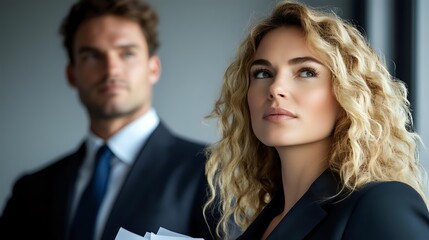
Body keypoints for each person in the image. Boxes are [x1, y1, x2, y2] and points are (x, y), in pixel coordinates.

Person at [204, 1, 429, 239]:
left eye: (306, 72)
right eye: (263, 73)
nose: (275, 88)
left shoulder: (382, 204)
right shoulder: (267, 219)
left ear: (347, 94)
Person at [0, 0, 214, 239]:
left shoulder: (212, 173)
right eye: (92, 56)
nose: (111, 69)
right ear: (72, 75)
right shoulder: (31, 191)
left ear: (153, 68)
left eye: (127, 53)